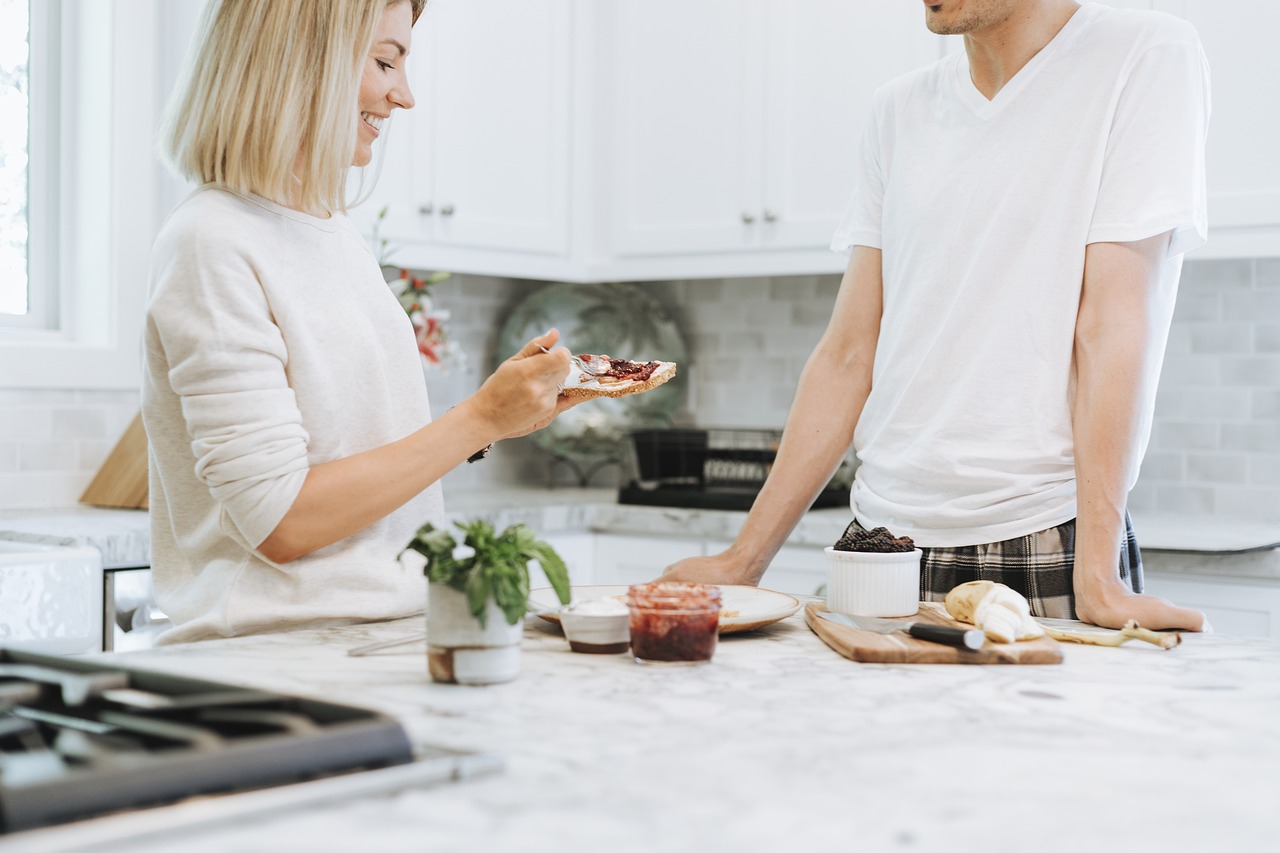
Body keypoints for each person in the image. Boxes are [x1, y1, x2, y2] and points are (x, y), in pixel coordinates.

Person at [664, 0, 1210, 632]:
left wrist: (1097, 578)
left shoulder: (1141, 54)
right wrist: (742, 560)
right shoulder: (898, 111)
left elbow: (1111, 325)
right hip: (877, 540)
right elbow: (848, 354)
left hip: (1038, 536)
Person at [143, 0, 579, 644]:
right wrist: (479, 417)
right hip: (273, 657)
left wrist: (502, 414)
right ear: (298, 60)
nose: (403, 96)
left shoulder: (333, 233)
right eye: (384, 61)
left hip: (382, 636)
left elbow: (358, 452)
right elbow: (281, 523)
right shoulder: (212, 239)